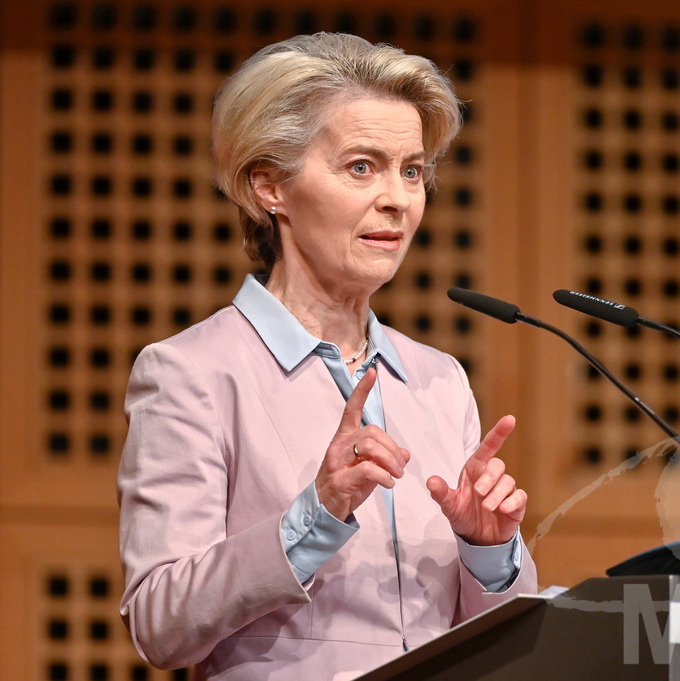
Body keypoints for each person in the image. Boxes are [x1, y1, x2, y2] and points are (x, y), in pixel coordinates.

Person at [117, 33, 537, 680]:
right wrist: (316, 513)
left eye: (413, 170)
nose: (398, 197)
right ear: (269, 186)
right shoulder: (192, 372)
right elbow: (158, 623)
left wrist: (489, 549)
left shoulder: (438, 381)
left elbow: (499, 641)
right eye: (362, 166)